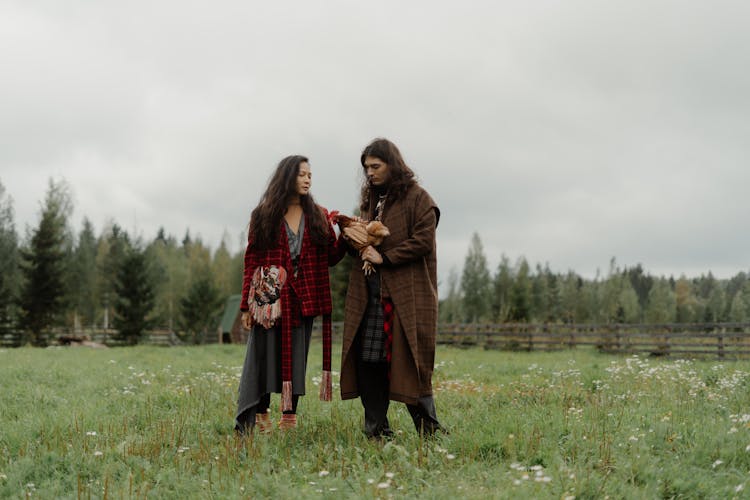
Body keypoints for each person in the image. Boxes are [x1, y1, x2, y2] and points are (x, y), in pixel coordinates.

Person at [339, 138, 444, 438]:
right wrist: (352, 236)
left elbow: (423, 241)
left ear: (392, 164)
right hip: (371, 295)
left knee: (412, 361)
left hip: (406, 296)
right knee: (370, 361)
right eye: (366, 168)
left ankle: (430, 431)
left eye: (376, 166)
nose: (369, 173)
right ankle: (376, 430)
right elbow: (367, 245)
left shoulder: (418, 198)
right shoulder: (371, 201)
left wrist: (384, 257)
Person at [235, 155, 344, 434]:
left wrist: (344, 235)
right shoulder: (263, 214)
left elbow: (331, 257)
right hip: (269, 300)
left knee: (295, 358)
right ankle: (260, 413)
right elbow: (252, 259)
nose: (308, 179)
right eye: (302, 174)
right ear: (287, 177)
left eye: (310, 175)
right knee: (265, 357)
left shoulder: (318, 215)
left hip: (304, 297)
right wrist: (245, 308)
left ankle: (289, 417)